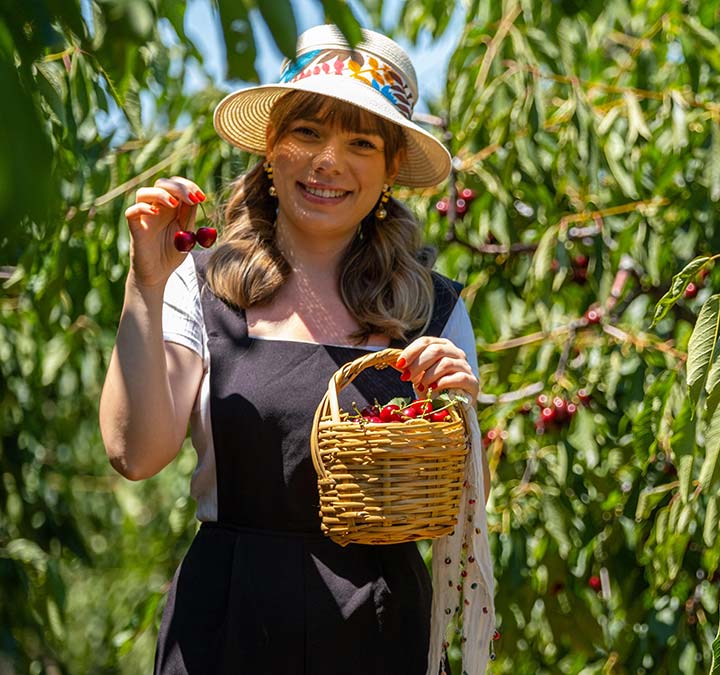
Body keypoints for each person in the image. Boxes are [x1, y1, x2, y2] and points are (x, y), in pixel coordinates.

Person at [99, 24, 495, 675]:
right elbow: (135, 452)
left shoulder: (435, 311)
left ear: (392, 166)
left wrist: (460, 417)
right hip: (226, 629)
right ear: (272, 144)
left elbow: (451, 509)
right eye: (308, 132)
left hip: (379, 630)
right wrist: (144, 285)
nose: (328, 161)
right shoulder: (199, 287)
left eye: (360, 142)